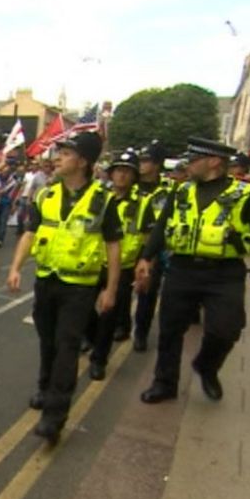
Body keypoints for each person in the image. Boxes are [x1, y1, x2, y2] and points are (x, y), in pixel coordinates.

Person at [137, 138, 250, 404]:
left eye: (193, 160)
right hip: (182, 269)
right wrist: (147, 258)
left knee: (226, 329)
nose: (188, 165)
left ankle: (206, 366)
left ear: (214, 162)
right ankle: (164, 382)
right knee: (170, 330)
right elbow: (161, 226)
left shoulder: (247, 194)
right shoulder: (181, 191)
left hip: (224, 273)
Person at [6, 131, 122, 445]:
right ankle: (45, 388)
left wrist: (110, 289)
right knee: (48, 341)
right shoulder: (47, 195)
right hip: (46, 281)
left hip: (79, 287)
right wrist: (16, 267)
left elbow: (113, 246)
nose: (57, 158)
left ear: (83, 161)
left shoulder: (103, 200)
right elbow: (30, 233)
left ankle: (54, 417)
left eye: (66, 153)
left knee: (67, 347)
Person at [87, 149, 153, 380]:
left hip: (123, 268)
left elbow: (147, 239)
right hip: (94, 264)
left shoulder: (144, 204)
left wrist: (144, 265)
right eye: (118, 171)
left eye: (127, 172)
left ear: (134, 176)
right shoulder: (97, 197)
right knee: (84, 309)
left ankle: (99, 359)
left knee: (109, 315)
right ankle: (92, 336)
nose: (122, 176)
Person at [131, 140, 172, 352]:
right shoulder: (128, 185)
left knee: (147, 292)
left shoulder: (168, 190)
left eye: (146, 160)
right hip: (126, 245)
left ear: (157, 164)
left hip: (153, 248)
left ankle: (141, 333)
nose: (141, 164)